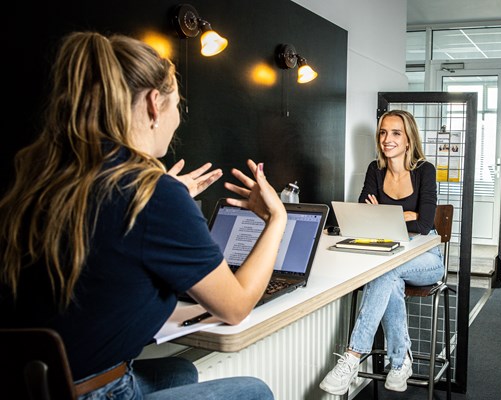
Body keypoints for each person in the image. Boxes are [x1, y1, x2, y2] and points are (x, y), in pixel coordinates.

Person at [0, 32, 286, 399]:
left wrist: (164, 201)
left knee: (178, 371)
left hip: (31, 383)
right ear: (154, 104)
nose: (178, 122)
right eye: (177, 107)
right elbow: (236, 306)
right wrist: (276, 219)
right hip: (91, 392)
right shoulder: (149, 194)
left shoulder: (40, 176)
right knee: (254, 391)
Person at [319, 110, 444, 395]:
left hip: (426, 259)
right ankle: (401, 361)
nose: (387, 139)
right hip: (391, 255)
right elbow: (363, 218)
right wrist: (405, 214)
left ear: (409, 138)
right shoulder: (374, 169)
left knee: (386, 270)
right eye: (383, 133)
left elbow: (425, 224)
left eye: (396, 133)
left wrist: (386, 214)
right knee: (388, 276)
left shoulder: (425, 170)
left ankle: (351, 357)